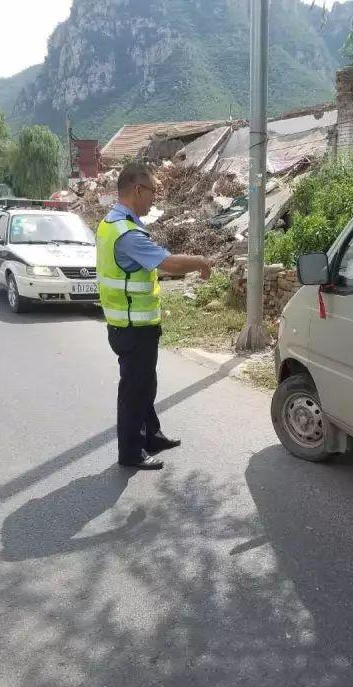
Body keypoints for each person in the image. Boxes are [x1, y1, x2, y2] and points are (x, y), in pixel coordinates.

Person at [97, 162, 212, 471]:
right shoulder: (127, 233)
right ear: (138, 190)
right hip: (133, 326)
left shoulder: (113, 224)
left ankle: (152, 435)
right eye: (153, 192)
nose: (155, 200)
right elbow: (169, 264)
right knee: (135, 390)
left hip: (131, 324)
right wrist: (201, 261)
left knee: (145, 383)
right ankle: (131, 453)